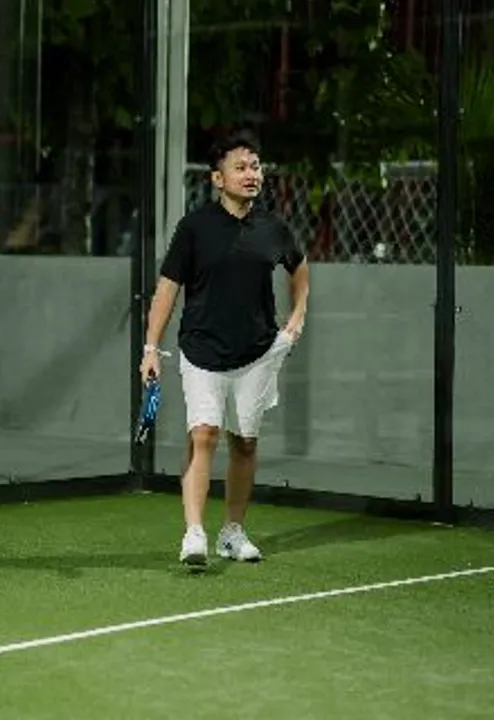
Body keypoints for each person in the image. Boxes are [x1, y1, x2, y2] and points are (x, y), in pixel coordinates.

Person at [140, 130, 309, 568]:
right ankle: (194, 532)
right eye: (241, 168)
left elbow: (299, 268)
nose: (251, 174)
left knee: (245, 443)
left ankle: (232, 533)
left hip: (257, 352)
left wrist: (297, 318)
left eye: (255, 167)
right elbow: (167, 289)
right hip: (201, 350)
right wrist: (151, 347)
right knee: (204, 434)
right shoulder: (194, 228)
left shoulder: (273, 228)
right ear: (218, 178)